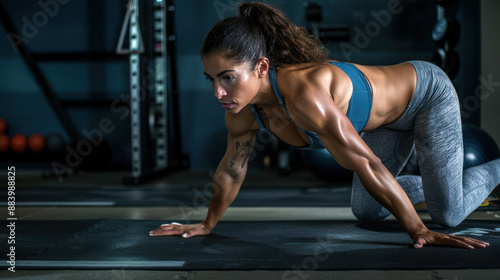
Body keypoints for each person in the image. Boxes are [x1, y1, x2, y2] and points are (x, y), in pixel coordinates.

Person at [150, 2, 499, 249]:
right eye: (211, 79)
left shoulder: (304, 95)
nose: (218, 92)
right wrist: (208, 223)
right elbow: (231, 169)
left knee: (448, 214)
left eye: (227, 78)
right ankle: (439, 183)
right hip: (382, 123)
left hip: (425, 96)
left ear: (261, 67)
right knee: (367, 211)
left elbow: (365, 163)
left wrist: (419, 229)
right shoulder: (241, 110)